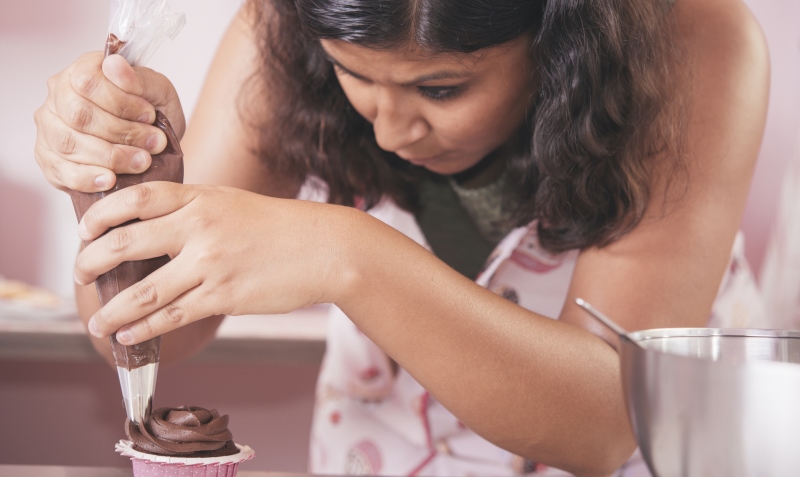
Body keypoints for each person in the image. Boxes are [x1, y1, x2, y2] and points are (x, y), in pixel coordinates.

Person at [33, 0, 769, 474]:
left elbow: (607, 425)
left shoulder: (692, 42)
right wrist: (125, 179)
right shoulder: (280, 28)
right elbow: (153, 331)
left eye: (441, 89)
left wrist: (344, 254)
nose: (389, 129)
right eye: (351, 72)